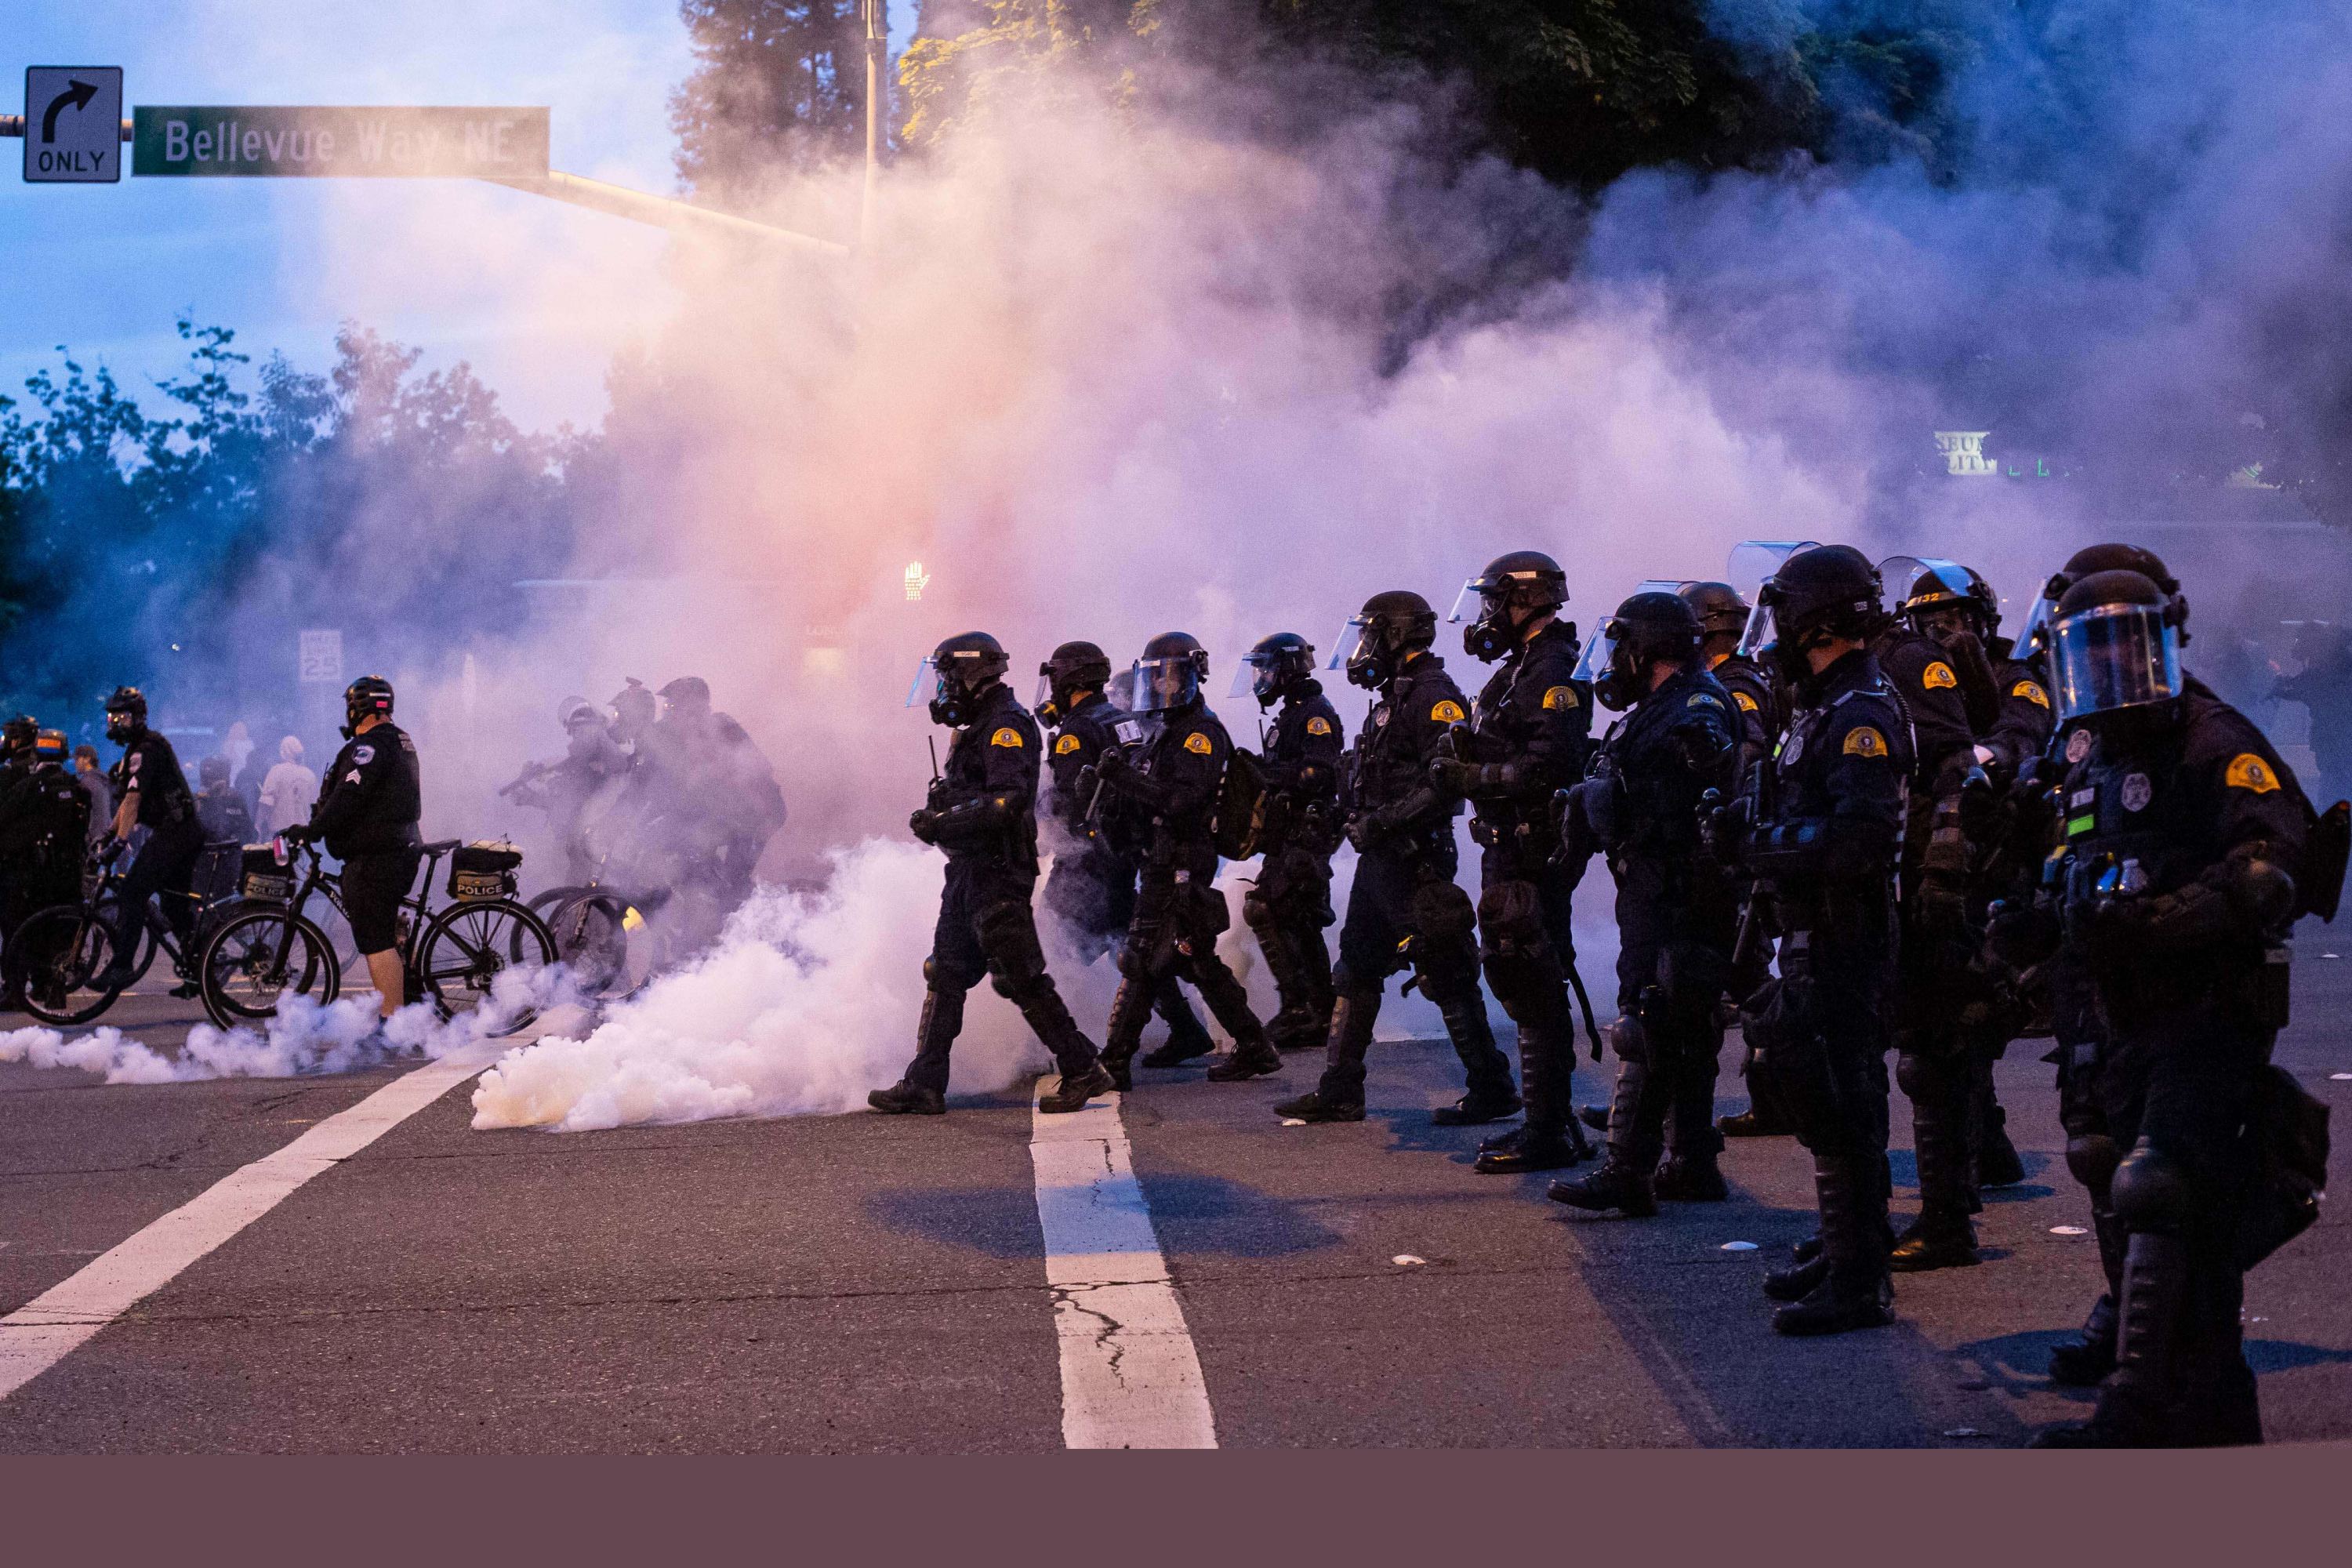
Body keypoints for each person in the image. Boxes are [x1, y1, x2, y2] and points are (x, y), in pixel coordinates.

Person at [2018, 569, 2318, 1446]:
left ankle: (2145, 1404)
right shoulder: (2093, 750)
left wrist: (2166, 920)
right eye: (2089, 646)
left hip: (2206, 1007)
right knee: (2123, 1172)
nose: (2107, 661)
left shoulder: (2213, 740)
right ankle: (2209, 1399)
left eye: (2123, 640)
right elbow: (2068, 860)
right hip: (2121, 1010)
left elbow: (2272, 866)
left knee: (2164, 1185)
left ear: (2160, 641)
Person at [1704, 546, 1911, 1335]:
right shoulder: (1824, 701)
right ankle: (1845, 1243)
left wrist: (1757, 845)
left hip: (1844, 930)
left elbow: (1860, 838)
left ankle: (1861, 1280)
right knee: (1821, 1088)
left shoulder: (1860, 707)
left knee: (1847, 1095)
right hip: (1812, 924)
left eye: (1787, 610)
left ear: (1817, 617)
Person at [1275, 592, 1518, 1124]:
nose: (1364, 648)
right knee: (1356, 969)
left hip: (1416, 858)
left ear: (1396, 634)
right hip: (1381, 859)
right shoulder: (1396, 696)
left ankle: (1493, 1086)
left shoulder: (1433, 696)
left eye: (1371, 636)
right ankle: (1340, 1089)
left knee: (1446, 970)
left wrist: (1381, 822)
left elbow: (1445, 786)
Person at [1550, 592, 1740, 1213]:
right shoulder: (1655, 706)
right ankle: (1691, 1164)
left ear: (1649, 647)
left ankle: (1625, 1172)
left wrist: (1704, 747)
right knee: (1683, 1028)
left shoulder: (1696, 702)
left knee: (1649, 1021)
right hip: (1654, 886)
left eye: (1625, 645)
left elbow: (1711, 759)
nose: (1616, 660)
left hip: (1680, 890)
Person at [871, 633, 1112, 1116]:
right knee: (946, 972)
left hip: (998, 871)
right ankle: (925, 1082)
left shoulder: (1006, 725)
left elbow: (1007, 802)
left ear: (971, 673)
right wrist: (945, 807)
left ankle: (1083, 1067)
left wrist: (943, 821)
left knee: (1021, 978)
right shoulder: (979, 724)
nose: (942, 688)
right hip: (968, 870)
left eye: (947, 677)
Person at [1431, 550, 1597, 1174]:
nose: (1485, 616)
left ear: (1522, 601)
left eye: (1494, 601)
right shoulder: (1521, 667)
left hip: (1532, 849)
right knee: (1521, 976)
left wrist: (1477, 772)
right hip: (1507, 845)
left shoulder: (1553, 668)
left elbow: (1552, 766)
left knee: (1534, 978)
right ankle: (1544, 1125)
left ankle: (1549, 1131)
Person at [1874, 561, 1998, 1272]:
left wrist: (1945, 857)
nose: (1944, 632)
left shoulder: (1942, 672)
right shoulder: (1874, 672)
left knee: (1937, 1045)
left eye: (1956, 618)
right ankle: (1873, 1221)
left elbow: (1970, 755)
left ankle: (1948, 1216)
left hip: (1941, 877)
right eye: (1931, 619)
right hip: (1894, 877)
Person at [1091, 632, 1282, 1087]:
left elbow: (1182, 802)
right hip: (1164, 857)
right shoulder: (1170, 730)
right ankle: (1255, 1048)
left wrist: (1123, 779)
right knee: (1194, 960)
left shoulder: (1200, 732)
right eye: (1152, 678)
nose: (1158, 687)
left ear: (1189, 677)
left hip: (1181, 860)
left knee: (1141, 957)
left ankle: (1114, 1062)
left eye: (1166, 677)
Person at [1033, 640, 1216, 1066]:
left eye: (1056, 676)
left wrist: (1042, 831)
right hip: (1121, 853)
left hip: (1085, 861)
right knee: (1133, 946)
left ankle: (1049, 1047)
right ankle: (1187, 1029)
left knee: (1047, 951)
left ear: (1069, 678)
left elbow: (1067, 803)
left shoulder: (1077, 730)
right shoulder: (1120, 718)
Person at [1684, 582, 1798, 1141]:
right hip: (1726, 845)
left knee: (1745, 972)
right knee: (1736, 972)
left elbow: (1746, 760)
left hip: (1734, 851)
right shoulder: (1719, 682)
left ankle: (1773, 1098)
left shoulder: (1737, 686)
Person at [283, 677, 423, 1027]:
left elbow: (348, 796)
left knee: (374, 940)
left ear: (357, 708)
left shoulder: (370, 747)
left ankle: (394, 1023)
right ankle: (410, 998)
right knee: (385, 931)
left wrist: (312, 830)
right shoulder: (400, 739)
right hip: (398, 848)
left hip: (380, 856)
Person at [1233, 632, 1345, 1053]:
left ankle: (1303, 1010)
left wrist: (1264, 774)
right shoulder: (1294, 712)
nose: (1260, 677)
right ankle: (1317, 1008)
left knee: (1272, 910)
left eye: (1266, 668)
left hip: (1307, 833)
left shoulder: (1314, 714)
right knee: (1294, 919)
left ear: (1288, 667)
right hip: (1289, 834)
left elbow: (1317, 774)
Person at [91, 688, 206, 993]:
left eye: (122, 716)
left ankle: (122, 965)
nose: (115, 722)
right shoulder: (135, 750)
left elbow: (133, 800)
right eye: (112, 716)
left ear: (139, 717)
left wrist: (118, 841)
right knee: (173, 905)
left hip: (177, 831)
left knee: (132, 891)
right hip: (181, 830)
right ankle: (201, 968)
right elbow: (128, 803)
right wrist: (108, 833)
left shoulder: (146, 748)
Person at [0, 731, 93, 1013]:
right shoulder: (78, 789)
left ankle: (16, 991)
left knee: (24, 928)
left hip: (36, 872)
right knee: (60, 930)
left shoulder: (28, 788)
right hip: (68, 872)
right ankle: (52, 986)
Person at [503, 699, 631, 884]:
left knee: (577, 892)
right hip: (577, 841)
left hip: (584, 843)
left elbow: (571, 802)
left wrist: (532, 796)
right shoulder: (593, 760)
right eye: (575, 732)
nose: (575, 737)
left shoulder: (597, 763)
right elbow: (565, 801)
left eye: (578, 731)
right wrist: (533, 794)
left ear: (590, 729)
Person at [2271, 620, 2352, 813]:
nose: (2297, 644)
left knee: (2333, 786)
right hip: (2337, 737)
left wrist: (2278, 680)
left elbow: (2296, 688)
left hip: (2335, 738)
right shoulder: (2334, 663)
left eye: (2301, 639)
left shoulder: (2324, 668)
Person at [254, 736, 318, 838]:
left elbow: (266, 804)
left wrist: (257, 825)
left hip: (280, 834)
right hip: (303, 834)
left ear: (284, 752)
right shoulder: (310, 775)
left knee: (280, 854)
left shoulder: (276, 771)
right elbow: (315, 805)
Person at [196, 754, 257, 844]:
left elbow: (250, 834)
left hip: (233, 853)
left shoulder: (235, 799)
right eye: (207, 779)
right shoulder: (198, 803)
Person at [71, 744, 113, 856]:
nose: (75, 762)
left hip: (91, 841)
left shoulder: (86, 783)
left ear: (87, 759)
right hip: (105, 838)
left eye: (77, 758)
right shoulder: (105, 781)